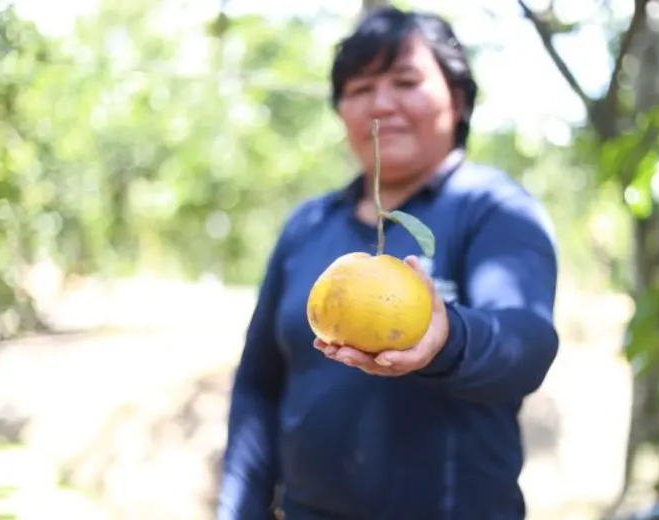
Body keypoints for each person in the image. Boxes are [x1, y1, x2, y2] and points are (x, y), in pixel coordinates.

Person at [217, 6, 559, 520]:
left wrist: (448, 337)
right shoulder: (307, 226)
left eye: (406, 81)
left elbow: (527, 342)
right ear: (341, 111)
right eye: (359, 89)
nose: (381, 104)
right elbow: (259, 384)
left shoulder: (496, 210)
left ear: (458, 100)